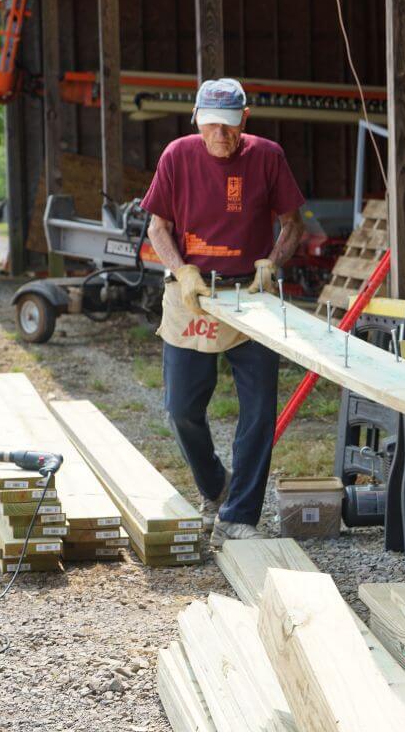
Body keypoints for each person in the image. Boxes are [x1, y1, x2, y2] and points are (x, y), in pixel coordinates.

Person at [142, 77, 306, 544]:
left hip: (250, 296)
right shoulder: (177, 155)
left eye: (230, 126)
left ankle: (239, 516)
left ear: (245, 120)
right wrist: (181, 271)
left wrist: (272, 265)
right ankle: (216, 485)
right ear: (196, 120)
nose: (220, 135)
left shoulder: (267, 156)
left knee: (258, 410)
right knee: (180, 408)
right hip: (194, 292)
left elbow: (293, 222)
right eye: (211, 125)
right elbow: (158, 228)